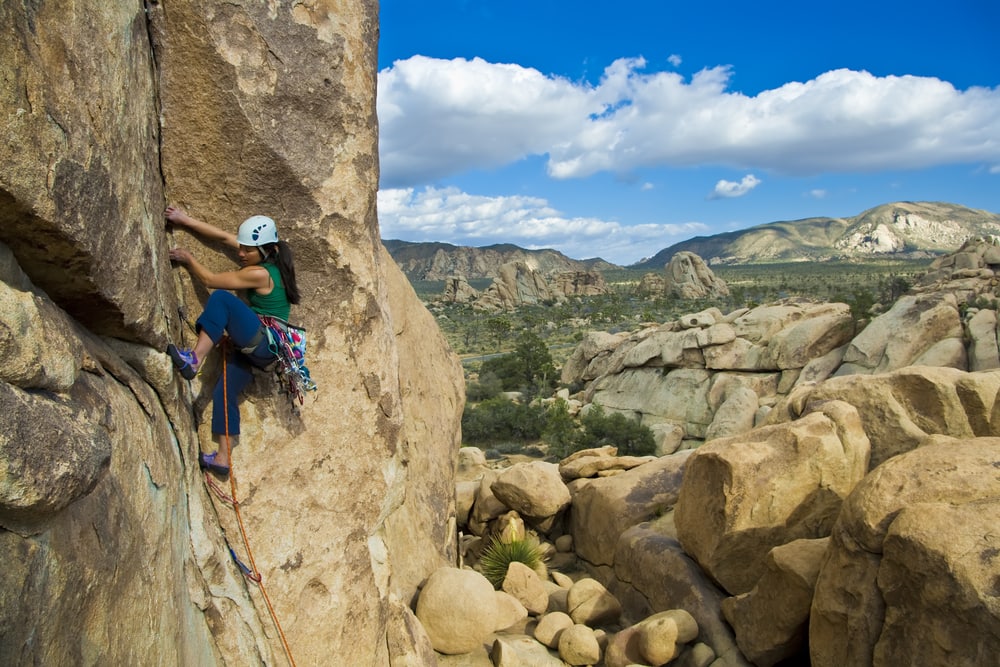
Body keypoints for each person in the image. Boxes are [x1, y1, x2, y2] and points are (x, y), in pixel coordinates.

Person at [165, 205, 301, 478]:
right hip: (264, 350)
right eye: (241, 248)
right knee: (224, 392)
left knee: (222, 299)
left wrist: (189, 259)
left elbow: (211, 280)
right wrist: (185, 220)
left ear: (266, 250)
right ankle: (222, 459)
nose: (240, 253)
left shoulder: (260, 273)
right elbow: (224, 238)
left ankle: (194, 359)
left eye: (246, 251)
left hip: (262, 342)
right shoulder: (270, 262)